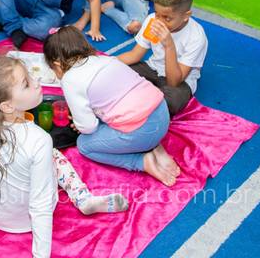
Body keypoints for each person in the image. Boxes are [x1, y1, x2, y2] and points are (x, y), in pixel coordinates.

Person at [0, 56, 128, 258]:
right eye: (26, 83)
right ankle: (83, 198)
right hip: (29, 217)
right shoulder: (39, 140)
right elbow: (40, 205)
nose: (36, 82)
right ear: (7, 106)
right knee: (55, 156)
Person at [43, 27, 180, 187]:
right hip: (162, 115)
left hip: (142, 132)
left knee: (84, 145)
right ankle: (156, 147)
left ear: (57, 64)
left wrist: (80, 124)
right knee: (129, 112)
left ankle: (141, 161)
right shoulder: (106, 60)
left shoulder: (70, 79)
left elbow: (87, 127)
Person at [118, 0, 207, 115]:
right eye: (157, 14)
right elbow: (134, 55)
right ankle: (143, 101)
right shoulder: (152, 20)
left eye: (167, 18)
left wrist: (169, 45)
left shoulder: (196, 36)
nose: (159, 21)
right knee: (118, 74)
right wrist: (105, 63)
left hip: (179, 80)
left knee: (171, 101)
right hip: (152, 68)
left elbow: (173, 82)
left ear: (186, 16)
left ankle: (141, 102)